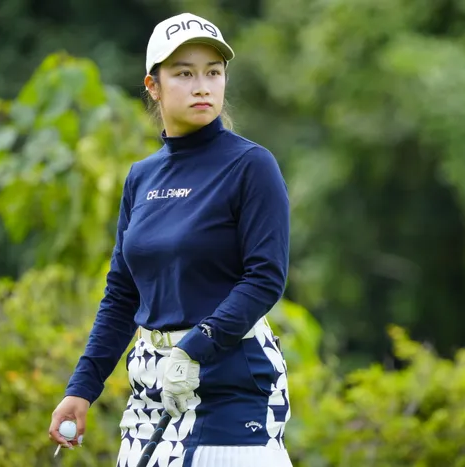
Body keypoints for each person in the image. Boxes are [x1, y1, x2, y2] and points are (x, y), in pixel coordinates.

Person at [47, 11, 293, 467]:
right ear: (153, 86)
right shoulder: (141, 177)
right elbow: (122, 294)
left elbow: (265, 279)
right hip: (152, 385)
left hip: (232, 384)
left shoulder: (251, 166)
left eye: (213, 73)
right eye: (184, 74)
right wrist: (81, 388)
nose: (202, 86)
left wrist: (195, 347)